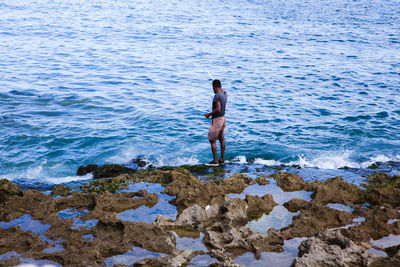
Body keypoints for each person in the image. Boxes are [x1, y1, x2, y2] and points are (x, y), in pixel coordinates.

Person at [204, 79, 228, 166]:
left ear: (214, 87)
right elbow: (221, 91)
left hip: (217, 119)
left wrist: (209, 114)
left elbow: (218, 109)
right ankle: (222, 159)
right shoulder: (225, 93)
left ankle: (215, 161)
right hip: (223, 118)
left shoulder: (217, 96)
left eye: (213, 88)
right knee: (221, 139)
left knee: (212, 139)